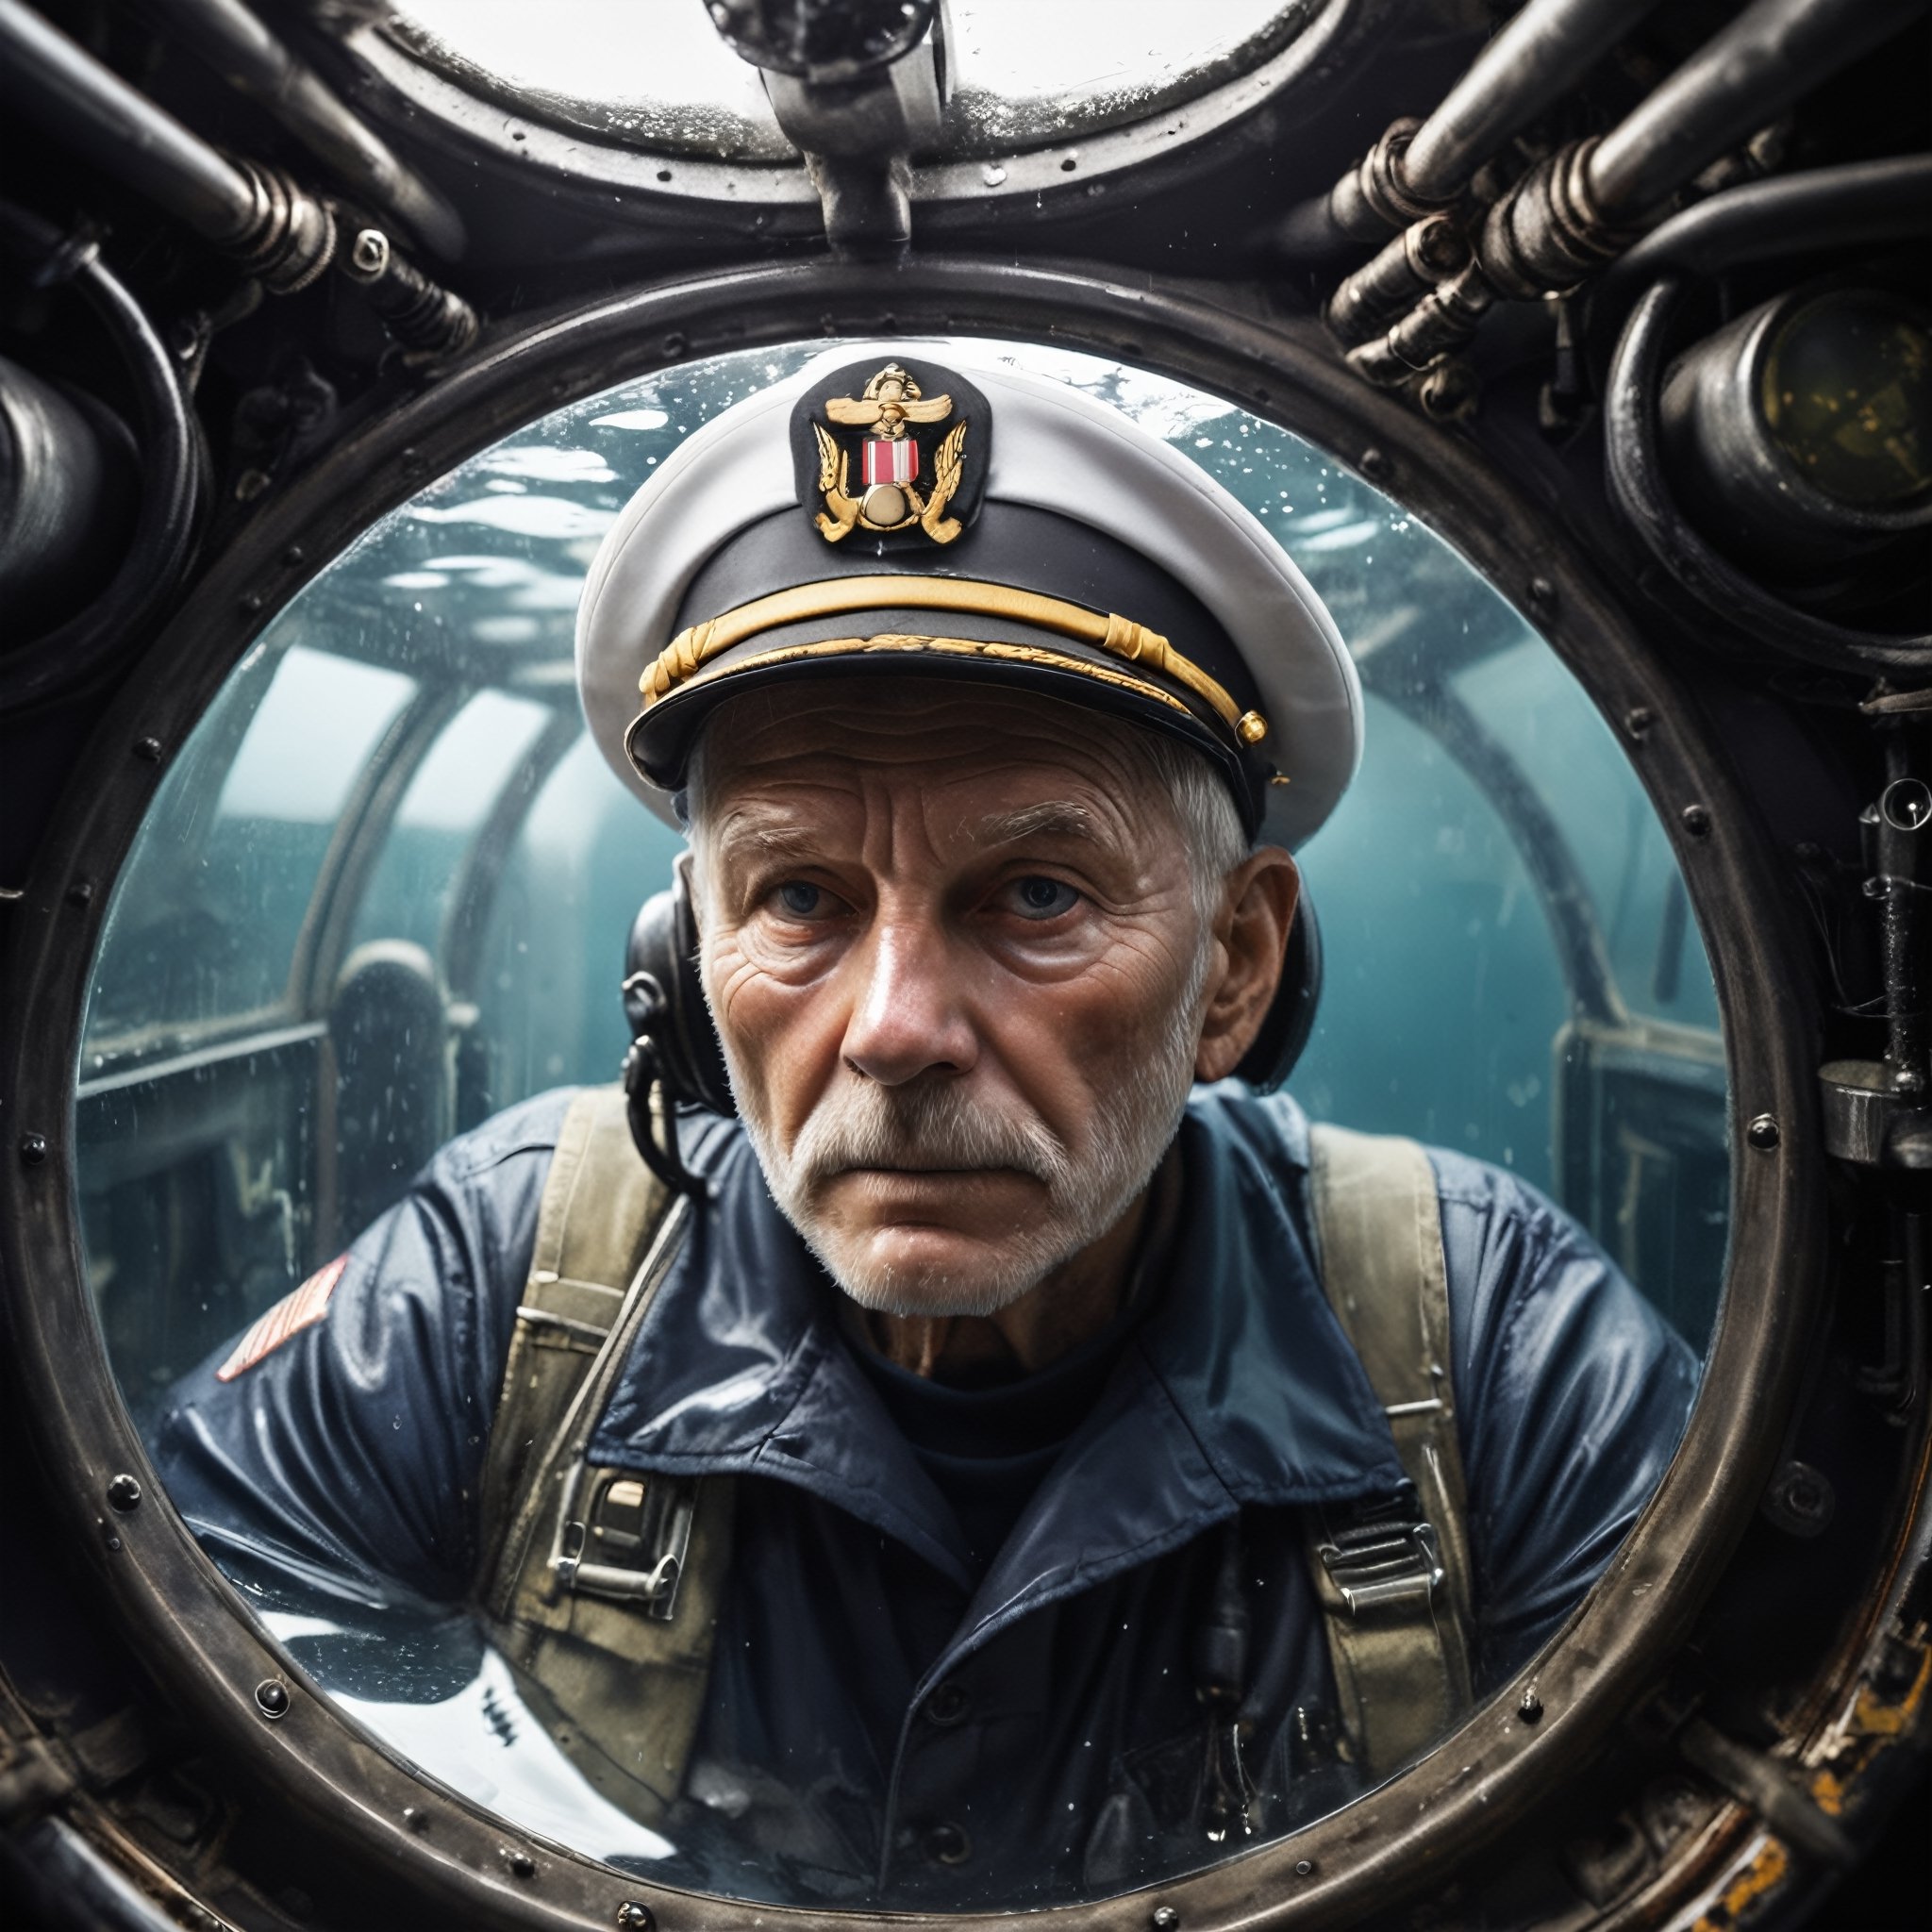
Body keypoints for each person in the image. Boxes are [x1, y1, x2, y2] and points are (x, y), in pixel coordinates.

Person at [154, 351, 1697, 1908]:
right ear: (686, 966)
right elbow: (184, 1747)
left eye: (1036, 895)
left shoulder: (1497, 1348)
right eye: (802, 898)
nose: (894, 1029)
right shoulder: (497, 1288)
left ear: (1235, 967)